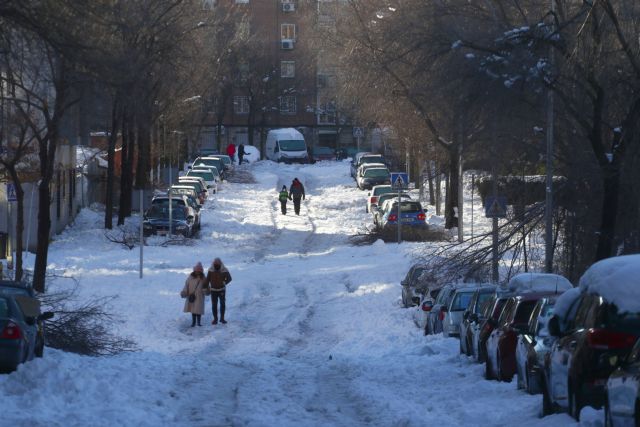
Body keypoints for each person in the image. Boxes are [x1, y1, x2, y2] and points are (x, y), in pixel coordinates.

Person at [206, 258, 232, 325]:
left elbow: (229, 278)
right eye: (215, 264)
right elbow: (207, 280)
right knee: (214, 305)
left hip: (222, 290)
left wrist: (224, 282)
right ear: (213, 263)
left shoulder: (224, 270)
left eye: (217, 264)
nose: (216, 265)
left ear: (220, 263)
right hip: (213, 291)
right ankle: (215, 319)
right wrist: (205, 287)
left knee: (222, 304)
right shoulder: (210, 270)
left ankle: (222, 318)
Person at [181, 262, 207, 327]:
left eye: (199, 271)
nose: (197, 272)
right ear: (194, 270)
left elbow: (207, 287)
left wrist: (206, 290)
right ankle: (193, 322)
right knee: (193, 310)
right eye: (196, 270)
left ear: (201, 271)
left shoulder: (203, 278)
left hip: (200, 297)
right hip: (191, 296)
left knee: (198, 310)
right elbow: (186, 285)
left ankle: (198, 322)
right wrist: (184, 292)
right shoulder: (190, 277)